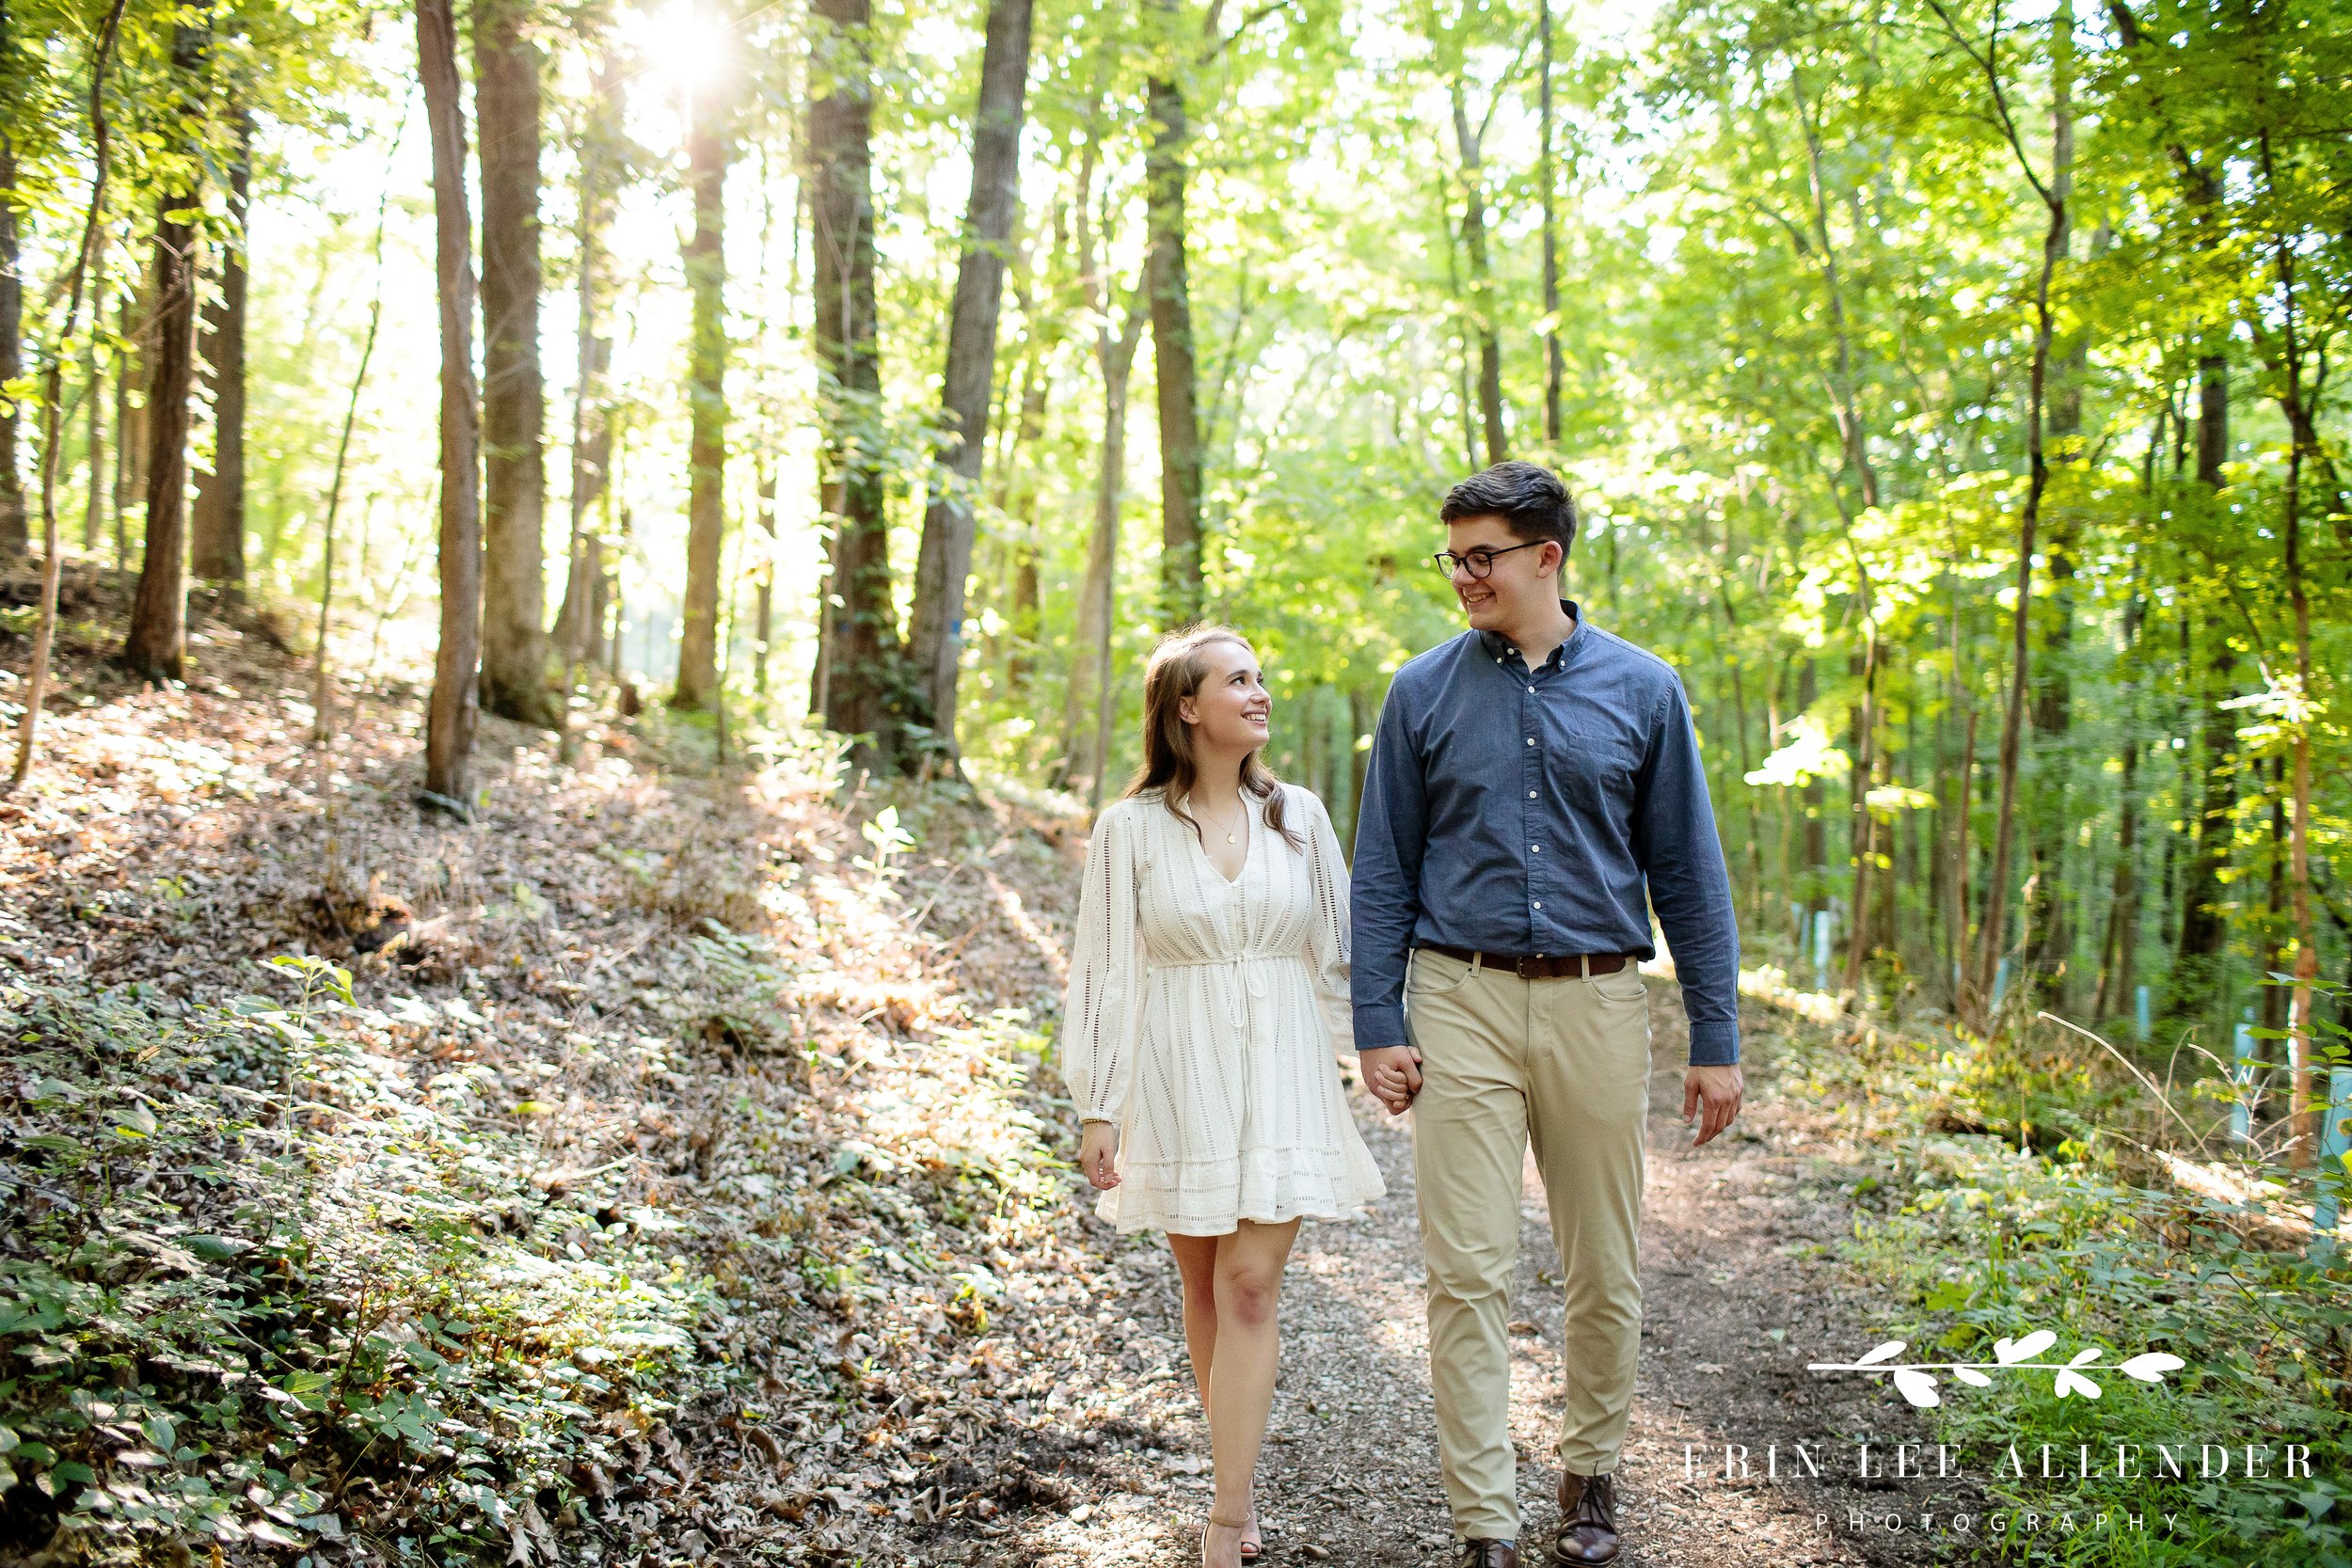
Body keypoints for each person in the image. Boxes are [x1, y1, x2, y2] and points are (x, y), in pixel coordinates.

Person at [1351, 462, 1745, 1568]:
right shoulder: (1421, 691)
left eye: (1482, 555)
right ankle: (1483, 1516)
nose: (1464, 575)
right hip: (1458, 995)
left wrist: (1714, 1037)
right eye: (1454, 556)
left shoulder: (1644, 688)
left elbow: (1689, 872)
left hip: (1598, 999)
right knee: (1465, 1267)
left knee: (1601, 1263)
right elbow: (1383, 866)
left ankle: (1590, 1476)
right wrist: (1376, 1016)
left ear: (1546, 557)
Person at [1060, 624, 1387, 1568]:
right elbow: (1107, 971)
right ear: (1186, 708)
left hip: (1282, 1068)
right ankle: (1231, 1482)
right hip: (1176, 1072)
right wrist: (1099, 1100)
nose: (1260, 692)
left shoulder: (1303, 817)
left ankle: (1224, 1513)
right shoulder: (1129, 830)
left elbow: (1339, 949)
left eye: (1262, 677)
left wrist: (1378, 1043)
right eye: (1236, 679)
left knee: (1249, 1283)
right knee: (1202, 1284)